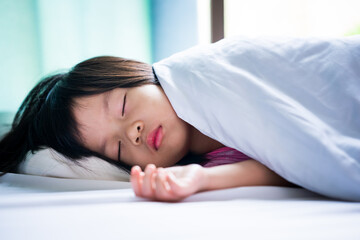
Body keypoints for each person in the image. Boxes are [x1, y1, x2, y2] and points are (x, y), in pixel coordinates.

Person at [0, 56, 292, 201]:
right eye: (116, 148)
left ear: (139, 74)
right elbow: (291, 164)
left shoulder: (209, 75)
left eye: (123, 106)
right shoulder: (211, 164)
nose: (132, 133)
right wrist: (201, 178)